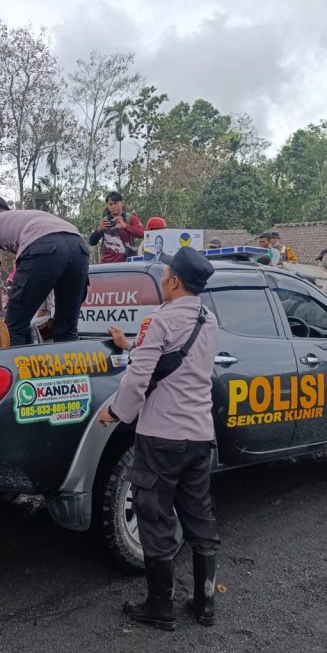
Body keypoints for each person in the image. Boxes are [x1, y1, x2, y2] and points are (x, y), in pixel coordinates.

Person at [98, 247, 220, 630]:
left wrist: (115, 412)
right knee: (198, 514)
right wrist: (129, 345)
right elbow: (175, 358)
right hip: (200, 435)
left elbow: (138, 378)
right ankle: (205, 604)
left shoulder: (160, 320)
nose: (163, 277)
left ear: (174, 280)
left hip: (162, 436)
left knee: (154, 515)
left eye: (166, 273)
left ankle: (159, 607)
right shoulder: (208, 319)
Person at [0, 194, 89, 346]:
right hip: (79, 247)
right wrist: (46, 309)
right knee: (66, 330)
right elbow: (45, 269)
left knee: (13, 330)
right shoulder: (28, 218)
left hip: (44, 248)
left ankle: (15, 360)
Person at [89, 191, 144, 263]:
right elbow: (92, 242)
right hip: (107, 264)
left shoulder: (130, 218)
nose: (113, 206)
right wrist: (98, 230)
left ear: (122, 203)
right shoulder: (104, 221)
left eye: (115, 203)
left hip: (127, 263)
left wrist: (125, 226)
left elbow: (142, 233)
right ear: (107, 205)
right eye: (110, 204)